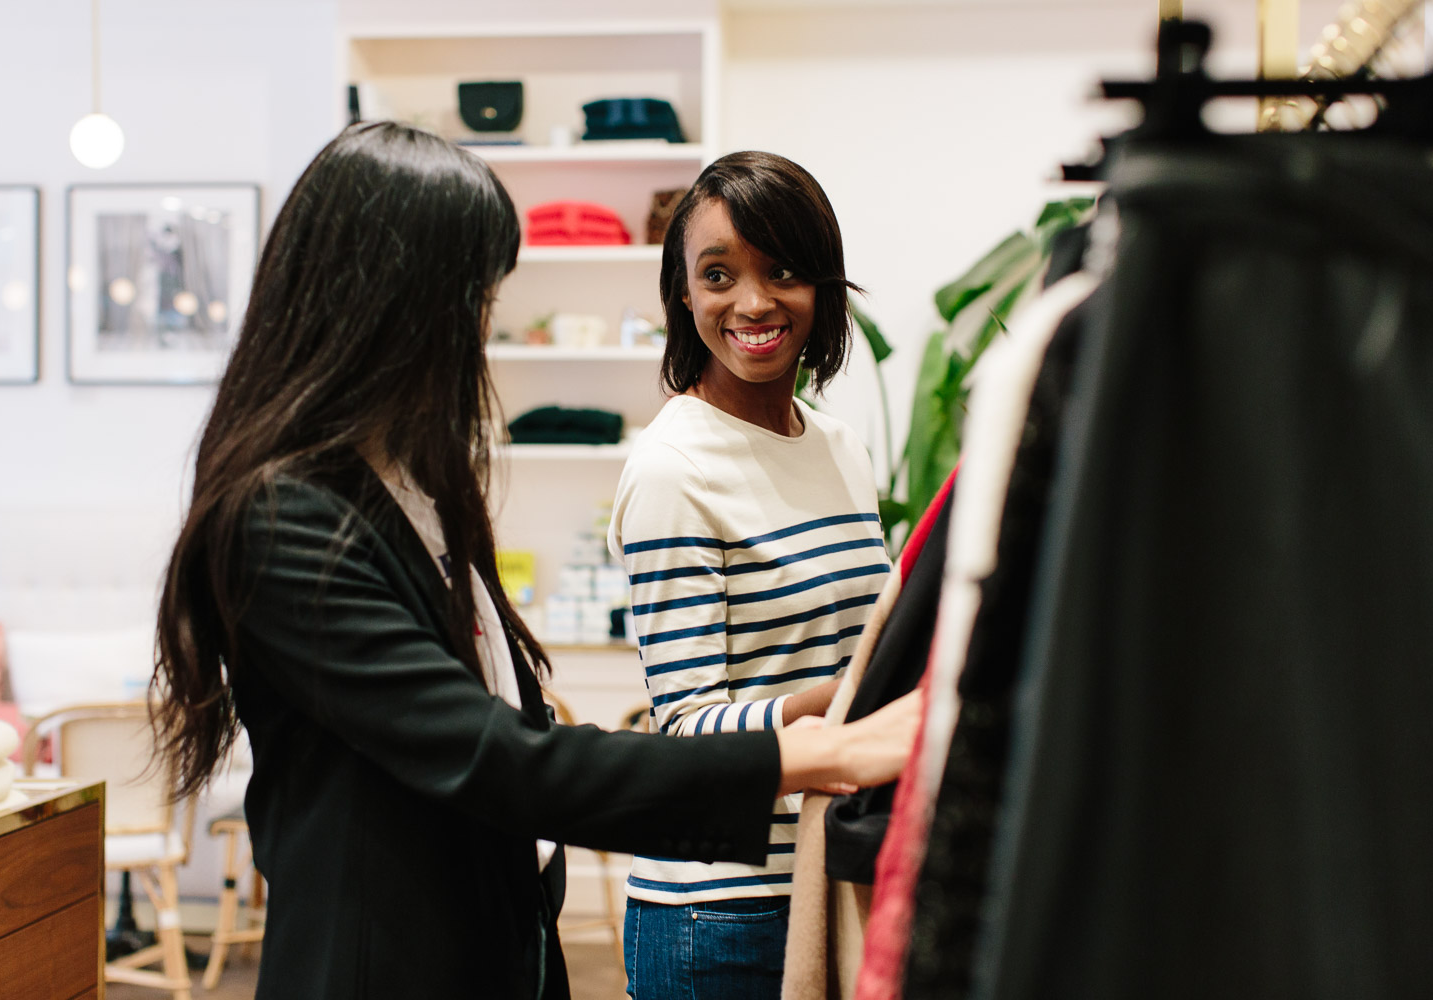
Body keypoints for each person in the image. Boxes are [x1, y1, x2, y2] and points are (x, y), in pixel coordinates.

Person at [150, 122, 918, 1000]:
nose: (484, 327)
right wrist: (815, 753)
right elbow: (500, 757)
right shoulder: (281, 522)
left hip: (493, 947)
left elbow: (517, 737)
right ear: (386, 303)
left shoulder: (415, 486)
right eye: (473, 297)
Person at [607, 151, 890, 999]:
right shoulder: (672, 465)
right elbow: (687, 725)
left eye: (784, 271)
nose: (754, 303)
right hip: (719, 910)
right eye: (718, 274)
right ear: (683, 295)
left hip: (826, 874)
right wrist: (852, 703)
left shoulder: (838, 446)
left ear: (823, 289)